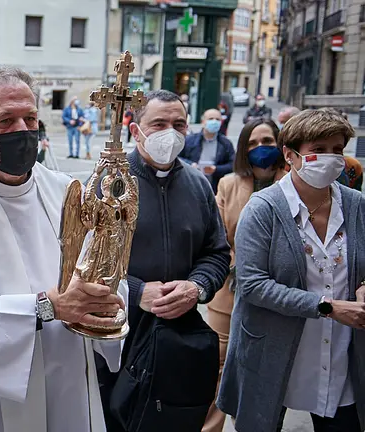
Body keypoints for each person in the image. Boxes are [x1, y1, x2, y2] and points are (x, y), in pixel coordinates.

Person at [0, 67, 126, 431]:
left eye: (30, 118)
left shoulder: (67, 192)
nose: (22, 131)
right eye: (5, 121)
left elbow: (101, 269)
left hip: (67, 371)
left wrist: (104, 301)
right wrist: (48, 307)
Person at [218, 108, 365, 432]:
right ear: (291, 155)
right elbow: (252, 284)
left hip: (339, 350)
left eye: (337, 150)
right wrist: (326, 307)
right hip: (274, 348)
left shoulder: (355, 205)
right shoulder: (264, 208)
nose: (330, 158)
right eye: (319, 150)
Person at [93, 90, 231, 430]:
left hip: (177, 335)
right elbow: (87, 262)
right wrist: (137, 291)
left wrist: (196, 287)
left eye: (178, 124)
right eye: (159, 124)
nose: (170, 132)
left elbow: (216, 253)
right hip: (118, 334)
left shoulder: (198, 184)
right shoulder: (108, 183)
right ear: (136, 130)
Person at [200, 119, 286, 432]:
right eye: (252, 143)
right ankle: (210, 428)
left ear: (280, 144)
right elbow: (219, 237)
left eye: (267, 140)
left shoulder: (293, 183)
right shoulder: (229, 184)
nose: (260, 148)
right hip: (230, 287)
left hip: (278, 291)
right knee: (217, 364)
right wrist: (241, 267)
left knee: (265, 369)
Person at [179, 108, 236, 191]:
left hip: (214, 186)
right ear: (203, 122)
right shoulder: (189, 140)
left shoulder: (225, 143)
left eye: (217, 119)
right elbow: (177, 158)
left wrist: (216, 169)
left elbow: (232, 164)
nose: (214, 121)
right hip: (191, 183)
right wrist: (191, 165)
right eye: (210, 119)